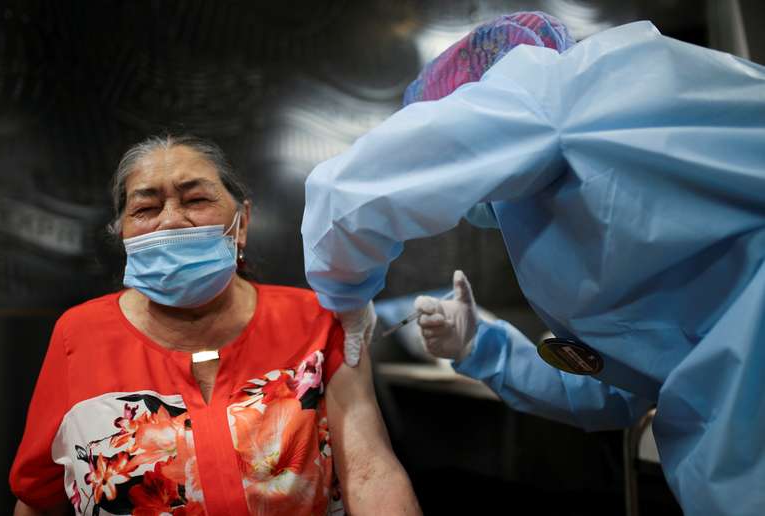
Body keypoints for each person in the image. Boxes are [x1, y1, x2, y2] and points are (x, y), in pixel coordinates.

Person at [301, 11, 765, 516]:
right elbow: (622, 390)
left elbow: (349, 197)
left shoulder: (552, 90)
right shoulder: (615, 157)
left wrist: (346, 297)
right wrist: (483, 347)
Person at [10, 135, 421, 516]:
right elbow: (39, 498)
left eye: (195, 199)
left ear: (241, 223)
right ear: (122, 234)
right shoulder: (78, 335)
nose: (170, 220)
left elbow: (370, 473)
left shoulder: (318, 319)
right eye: (146, 208)